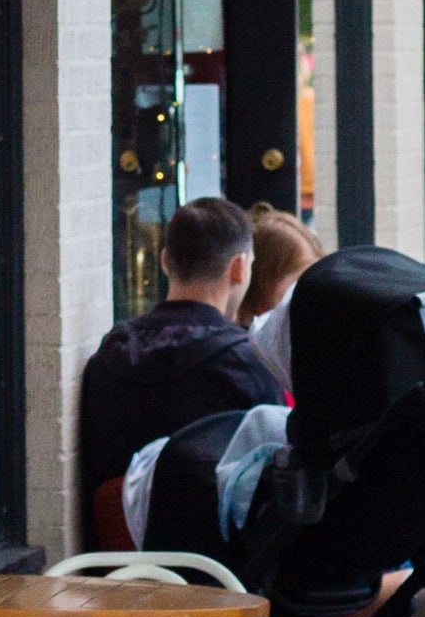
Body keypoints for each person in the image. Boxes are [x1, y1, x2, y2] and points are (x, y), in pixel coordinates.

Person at [74, 194, 289, 530]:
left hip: (117, 555)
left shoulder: (107, 358)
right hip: (214, 556)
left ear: (164, 261)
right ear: (238, 267)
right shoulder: (248, 363)